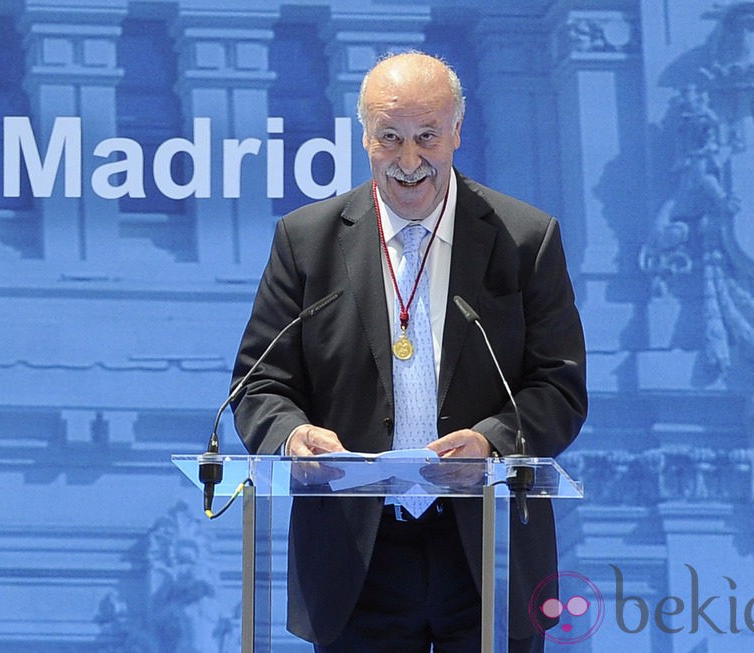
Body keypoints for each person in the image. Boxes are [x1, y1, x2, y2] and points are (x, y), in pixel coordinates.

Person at [230, 51, 587, 653]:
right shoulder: (307, 241)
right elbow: (258, 388)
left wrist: (494, 441)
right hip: (354, 560)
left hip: (487, 551)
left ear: (456, 133)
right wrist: (293, 438)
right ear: (364, 137)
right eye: (390, 138)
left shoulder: (525, 238)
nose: (410, 160)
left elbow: (560, 385)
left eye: (427, 137)